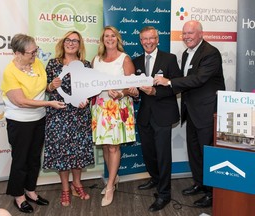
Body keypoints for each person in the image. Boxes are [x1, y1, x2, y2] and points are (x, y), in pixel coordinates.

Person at [154, 20, 226, 207]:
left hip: (207, 112)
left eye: (190, 33)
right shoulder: (186, 53)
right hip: (192, 111)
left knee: (207, 153)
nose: (186, 37)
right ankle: (200, 184)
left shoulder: (211, 53)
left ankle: (211, 194)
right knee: (194, 152)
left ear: (201, 34)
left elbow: (199, 79)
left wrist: (169, 82)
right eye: (184, 34)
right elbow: (185, 79)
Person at [1, 34, 65, 213]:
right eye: (31, 52)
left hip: (39, 119)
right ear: (18, 53)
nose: (35, 55)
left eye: (35, 50)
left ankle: (30, 191)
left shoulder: (36, 63)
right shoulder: (10, 72)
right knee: (20, 160)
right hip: (20, 121)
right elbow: (21, 101)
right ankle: (18, 196)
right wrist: (49, 103)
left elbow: (43, 87)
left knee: (34, 158)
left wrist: (51, 86)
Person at [132, 26, 182, 212]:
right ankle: (155, 178)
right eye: (144, 39)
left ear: (157, 39)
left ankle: (164, 194)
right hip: (144, 115)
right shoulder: (136, 62)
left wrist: (155, 91)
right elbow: (135, 90)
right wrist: (132, 92)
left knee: (163, 156)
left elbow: (176, 86)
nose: (147, 42)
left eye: (151, 38)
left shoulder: (169, 59)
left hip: (163, 114)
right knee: (148, 153)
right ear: (140, 41)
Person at [43, 31, 94, 207]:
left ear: (80, 45)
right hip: (59, 114)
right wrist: (51, 85)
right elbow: (46, 89)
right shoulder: (52, 64)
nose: (71, 43)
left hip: (79, 115)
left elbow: (90, 89)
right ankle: (65, 188)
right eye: (68, 40)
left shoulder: (86, 65)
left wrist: (86, 100)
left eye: (75, 41)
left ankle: (77, 184)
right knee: (62, 152)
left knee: (78, 151)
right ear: (63, 42)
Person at [91, 26, 137, 207]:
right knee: (104, 145)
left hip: (117, 107)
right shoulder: (96, 60)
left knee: (113, 148)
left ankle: (109, 186)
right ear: (102, 40)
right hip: (100, 107)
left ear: (117, 39)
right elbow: (91, 84)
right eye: (106, 36)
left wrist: (120, 93)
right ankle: (114, 177)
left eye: (112, 36)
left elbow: (133, 86)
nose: (109, 39)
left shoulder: (124, 59)